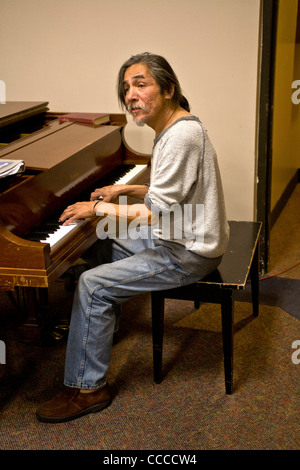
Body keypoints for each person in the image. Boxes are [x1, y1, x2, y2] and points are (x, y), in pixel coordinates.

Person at [36, 52, 229, 423]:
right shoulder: (177, 127)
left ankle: (89, 388)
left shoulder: (181, 137)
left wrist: (97, 209)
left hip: (189, 252)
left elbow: (159, 211)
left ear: (169, 89)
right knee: (103, 242)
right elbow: (170, 194)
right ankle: (99, 327)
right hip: (180, 234)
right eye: (126, 88)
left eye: (141, 84)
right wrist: (123, 191)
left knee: (92, 284)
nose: (130, 95)